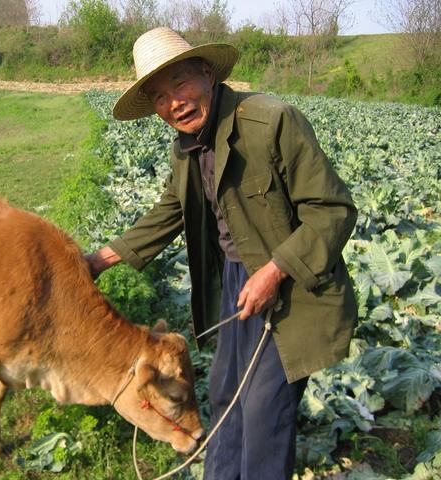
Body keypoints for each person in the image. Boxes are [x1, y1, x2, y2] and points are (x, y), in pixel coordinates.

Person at [85, 27, 358, 479]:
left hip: (293, 283)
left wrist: (275, 271)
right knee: (226, 392)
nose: (174, 102)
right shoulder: (186, 149)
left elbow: (333, 211)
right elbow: (169, 211)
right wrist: (97, 262)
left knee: (262, 413)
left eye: (180, 83)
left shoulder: (271, 122)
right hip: (234, 280)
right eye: (158, 96)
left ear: (207, 73)